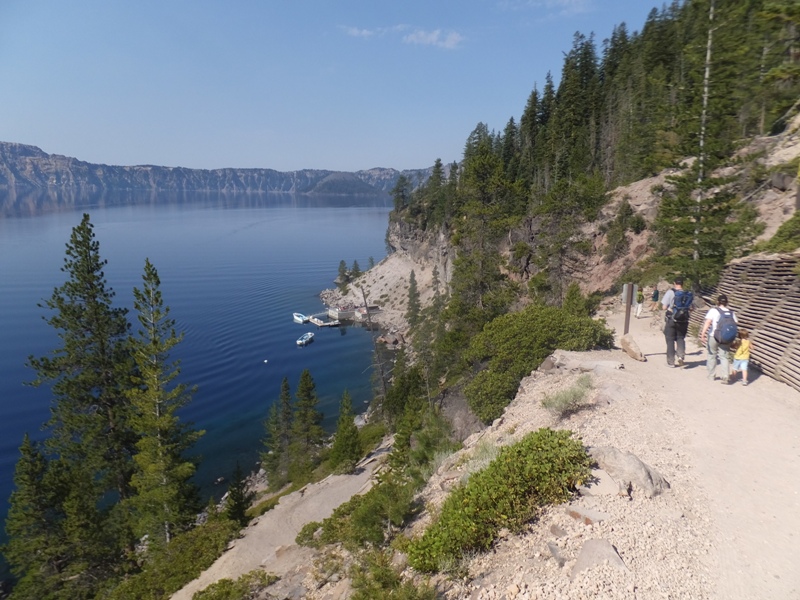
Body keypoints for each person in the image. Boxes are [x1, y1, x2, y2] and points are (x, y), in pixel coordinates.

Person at [700, 294, 738, 384]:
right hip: (726, 337)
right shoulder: (732, 312)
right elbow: (735, 324)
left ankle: (711, 375)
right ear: (727, 303)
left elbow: (708, 322)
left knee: (711, 355)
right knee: (724, 357)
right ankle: (725, 376)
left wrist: (703, 333)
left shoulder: (713, 310)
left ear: (718, 302)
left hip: (714, 336)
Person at [661, 277, 692, 367]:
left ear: (674, 283)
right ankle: (681, 357)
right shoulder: (687, 294)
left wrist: (670, 308)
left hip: (672, 319)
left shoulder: (670, 292)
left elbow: (663, 307)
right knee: (680, 338)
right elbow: (692, 308)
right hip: (684, 320)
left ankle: (671, 362)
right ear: (682, 284)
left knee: (670, 340)